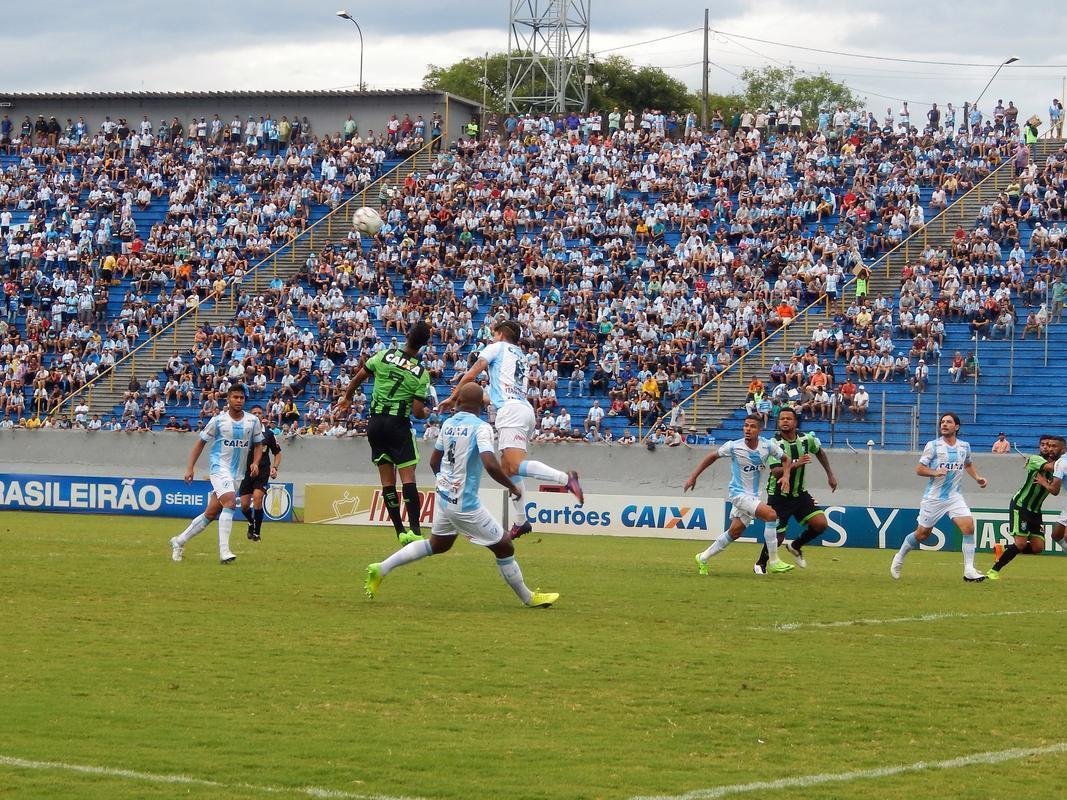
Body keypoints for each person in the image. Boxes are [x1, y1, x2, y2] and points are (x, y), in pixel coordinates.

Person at [362, 383, 558, 608]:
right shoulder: (481, 428)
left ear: (458, 403)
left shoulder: (448, 424)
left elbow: (434, 461)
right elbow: (490, 463)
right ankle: (528, 598)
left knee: (438, 544)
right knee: (504, 545)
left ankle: (381, 568)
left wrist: (445, 482)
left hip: (445, 498)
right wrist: (513, 487)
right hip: (465, 503)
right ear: (480, 406)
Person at [440, 320, 583, 540]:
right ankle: (521, 521)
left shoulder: (496, 348)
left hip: (511, 412)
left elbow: (469, 377)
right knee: (508, 469)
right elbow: (493, 397)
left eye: (493, 334)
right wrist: (468, 397)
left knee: (513, 465)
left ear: (500, 334)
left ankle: (566, 479)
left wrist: (452, 398)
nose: (492, 337)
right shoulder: (521, 357)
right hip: (523, 410)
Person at [338, 321, 433, 545]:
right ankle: (416, 531)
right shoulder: (421, 373)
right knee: (408, 477)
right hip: (397, 424)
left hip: (375, 424)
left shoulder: (383, 355)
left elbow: (359, 377)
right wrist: (426, 413)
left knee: (386, 480)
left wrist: (347, 397)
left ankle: (399, 531)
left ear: (407, 335)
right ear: (424, 345)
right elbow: (418, 412)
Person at [685, 414, 795, 575]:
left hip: (753, 496)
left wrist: (786, 476)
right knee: (771, 516)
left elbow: (786, 459)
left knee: (734, 532)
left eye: (752, 426)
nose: (748, 429)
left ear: (760, 429)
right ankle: (774, 561)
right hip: (738, 494)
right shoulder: (734, 446)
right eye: (746, 426)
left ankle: (703, 557)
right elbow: (711, 456)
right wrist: (693, 477)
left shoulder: (767, 445)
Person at [170, 385, 264, 565]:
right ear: (228, 399)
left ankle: (179, 541)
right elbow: (200, 443)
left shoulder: (253, 421)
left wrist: (255, 462)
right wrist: (190, 468)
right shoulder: (218, 421)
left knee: (211, 513)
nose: (239, 400)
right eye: (235, 397)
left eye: (241, 397)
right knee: (229, 502)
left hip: (237, 473)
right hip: (219, 467)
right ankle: (224, 551)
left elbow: (258, 444)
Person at [889, 412, 989, 582]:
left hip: (955, 496)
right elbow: (919, 469)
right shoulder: (933, 445)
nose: (944, 424)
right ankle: (898, 558)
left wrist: (977, 477)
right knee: (922, 535)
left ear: (956, 427)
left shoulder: (964, 446)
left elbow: (968, 464)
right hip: (933, 498)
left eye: (948, 422)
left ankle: (969, 570)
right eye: (942, 422)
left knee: (968, 527)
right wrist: (935, 472)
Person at [753, 408, 838, 574]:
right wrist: (796, 463)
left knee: (820, 524)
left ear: (795, 422)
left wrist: (830, 474)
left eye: (788, 418)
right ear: (778, 423)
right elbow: (776, 471)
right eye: (782, 419)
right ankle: (760, 563)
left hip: (800, 494)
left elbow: (819, 451)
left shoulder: (807, 439)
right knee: (778, 537)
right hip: (779, 495)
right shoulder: (773, 444)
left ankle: (796, 545)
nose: (785, 421)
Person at [987, 435, 1066, 579]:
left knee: (1038, 547)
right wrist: (1064, 459)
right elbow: (1050, 466)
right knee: (1021, 544)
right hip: (1021, 506)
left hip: (1036, 511)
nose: (1046, 447)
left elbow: (1055, 490)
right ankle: (994, 570)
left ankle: (1004, 549)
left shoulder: (1059, 466)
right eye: (1043, 444)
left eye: (1049, 445)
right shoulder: (1036, 460)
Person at [239, 404, 283, 542]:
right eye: (254, 413)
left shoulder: (269, 434)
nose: (257, 415)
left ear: (263, 415)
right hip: (246, 471)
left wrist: (275, 467)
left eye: (259, 413)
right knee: (244, 505)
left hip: (262, 471)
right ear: (250, 416)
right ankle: (251, 522)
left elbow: (278, 453)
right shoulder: (244, 431)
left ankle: (257, 532)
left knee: (258, 498)